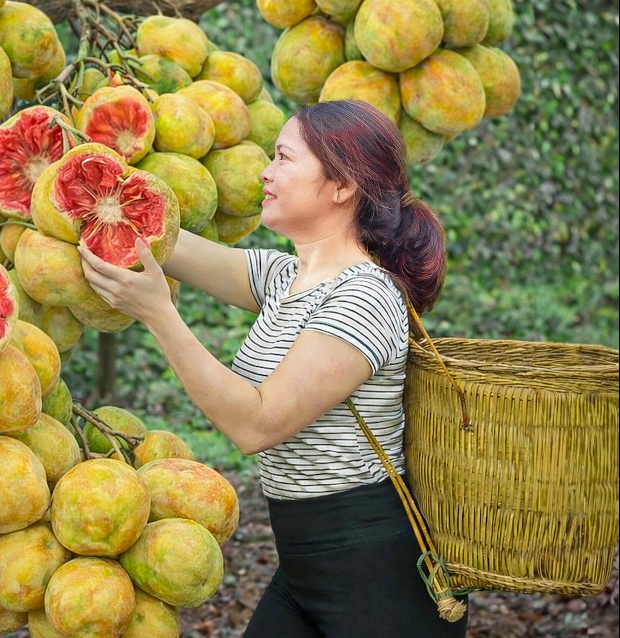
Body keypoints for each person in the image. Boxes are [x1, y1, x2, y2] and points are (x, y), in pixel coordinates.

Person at [79, 99, 467, 637]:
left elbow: (256, 425)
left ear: (342, 185)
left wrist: (158, 314)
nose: (265, 171)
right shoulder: (285, 278)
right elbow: (156, 237)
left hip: (376, 570)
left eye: (283, 157)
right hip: (304, 562)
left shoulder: (366, 297)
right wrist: (87, 178)